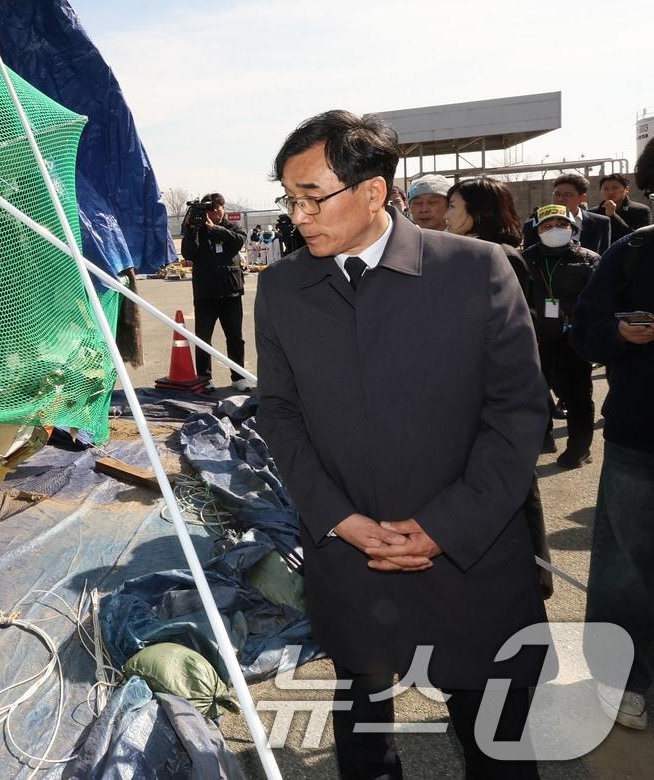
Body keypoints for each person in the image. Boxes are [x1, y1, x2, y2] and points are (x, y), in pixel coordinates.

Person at [257, 110, 548, 779]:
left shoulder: (478, 271)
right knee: (364, 740)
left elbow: (516, 415)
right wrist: (339, 520)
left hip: (469, 564)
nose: (298, 215)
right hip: (350, 564)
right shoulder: (282, 290)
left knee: (497, 743)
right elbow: (280, 415)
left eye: (311, 196)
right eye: (290, 198)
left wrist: (445, 527)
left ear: (371, 190)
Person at [570, 142, 654, 732]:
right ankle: (624, 679)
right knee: (628, 565)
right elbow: (584, 333)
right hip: (639, 439)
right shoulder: (630, 254)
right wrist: (621, 334)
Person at [446, 177, 554, 594]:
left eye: (454, 205)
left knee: (516, 486)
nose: (448, 213)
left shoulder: (498, 256)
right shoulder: (462, 252)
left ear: (478, 209)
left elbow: (515, 331)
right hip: (474, 394)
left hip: (498, 397)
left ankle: (536, 576)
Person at [522, 205, 600, 469]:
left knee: (578, 395)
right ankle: (543, 439)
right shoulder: (527, 258)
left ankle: (579, 449)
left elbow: (599, 299)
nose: (554, 229)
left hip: (573, 338)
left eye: (560, 224)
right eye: (546, 225)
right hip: (538, 337)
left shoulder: (589, 259)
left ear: (572, 228)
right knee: (536, 392)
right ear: (537, 230)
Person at [179, 193, 249, 392]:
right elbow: (188, 253)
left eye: (217, 210)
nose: (214, 214)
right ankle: (204, 378)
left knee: (235, 337)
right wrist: (193, 230)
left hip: (231, 292)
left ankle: (239, 376)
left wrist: (214, 228)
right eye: (209, 211)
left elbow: (237, 241)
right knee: (203, 337)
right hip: (205, 293)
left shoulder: (232, 227)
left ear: (223, 208)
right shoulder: (196, 229)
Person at [524, 173, 612, 254]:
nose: (560, 199)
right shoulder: (533, 223)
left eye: (567, 195)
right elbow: (528, 259)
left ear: (582, 198)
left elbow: (604, 258)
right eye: (557, 194)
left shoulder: (601, 223)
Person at [594, 172, 652, 241]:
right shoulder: (592, 213)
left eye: (615, 188)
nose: (610, 192)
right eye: (605, 189)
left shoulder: (641, 210)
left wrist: (613, 216)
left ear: (626, 189)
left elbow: (638, 237)